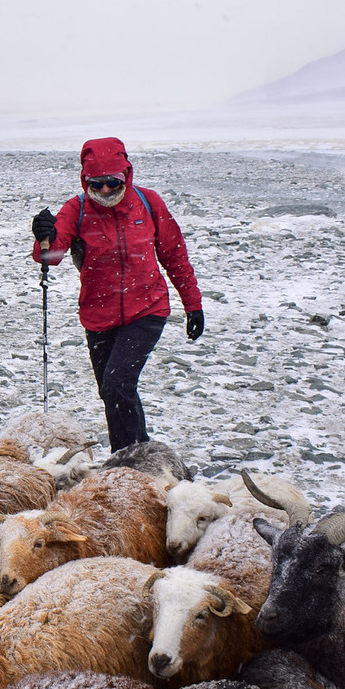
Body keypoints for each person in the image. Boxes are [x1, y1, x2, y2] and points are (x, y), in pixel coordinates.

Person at [31, 137, 204, 453]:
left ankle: (125, 465)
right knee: (114, 390)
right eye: (97, 184)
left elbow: (174, 254)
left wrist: (192, 304)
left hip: (147, 309)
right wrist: (45, 234)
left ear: (127, 174)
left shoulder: (148, 203)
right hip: (99, 316)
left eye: (113, 182)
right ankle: (143, 452)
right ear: (85, 180)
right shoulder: (76, 209)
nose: (106, 191)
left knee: (116, 385)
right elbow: (50, 258)